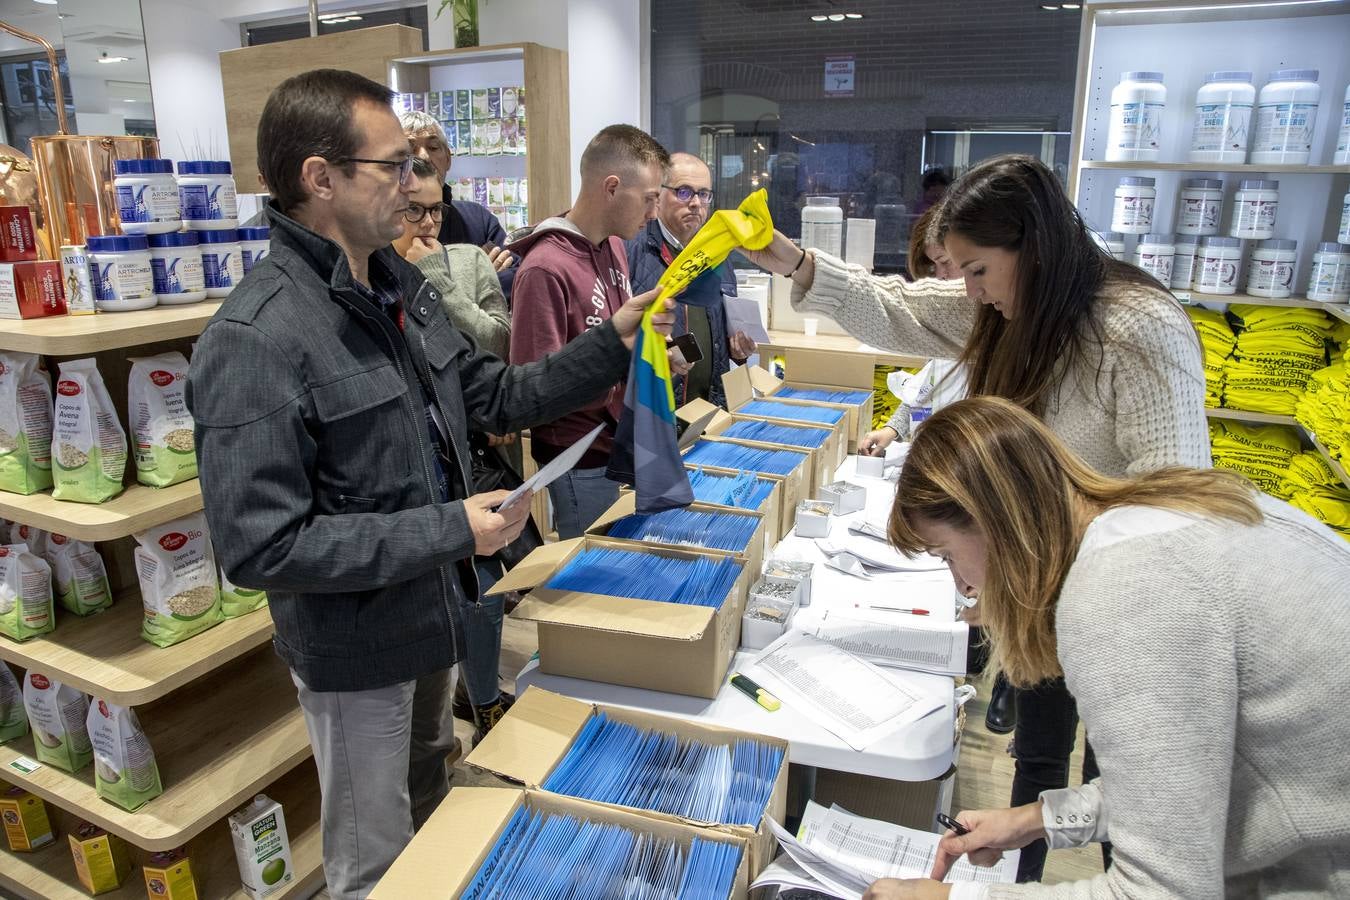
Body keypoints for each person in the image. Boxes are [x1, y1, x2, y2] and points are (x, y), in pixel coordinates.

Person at [187, 69, 674, 899]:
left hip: (432, 620)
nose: (416, 186)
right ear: (321, 178)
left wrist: (613, 341)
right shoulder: (256, 339)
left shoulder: (400, 288)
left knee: (432, 808)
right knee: (372, 857)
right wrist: (450, 529)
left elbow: (492, 394)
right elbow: (260, 544)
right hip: (356, 653)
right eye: (395, 167)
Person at [745, 154, 1209, 882]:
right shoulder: (1008, 308)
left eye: (978, 270)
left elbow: (1177, 505)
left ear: (1034, 244)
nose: (968, 291)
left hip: (1125, 598)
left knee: (1135, 792)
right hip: (1038, 581)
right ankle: (1021, 873)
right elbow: (896, 306)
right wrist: (786, 257)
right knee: (1040, 747)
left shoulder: (1137, 329)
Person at [862, 396, 1350, 899]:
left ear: (995, 521)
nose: (964, 585)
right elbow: (1176, 787)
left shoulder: (1123, 593)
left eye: (948, 555)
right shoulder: (1147, 518)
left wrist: (948, 898)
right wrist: (1036, 819)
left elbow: (1163, 891)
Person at [392, 155, 522, 745]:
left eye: (436, 209)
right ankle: (451, 705)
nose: (426, 223)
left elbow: (497, 340)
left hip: (474, 450)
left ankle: (484, 693)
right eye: (413, 210)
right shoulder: (373, 281)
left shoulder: (467, 261)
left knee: (485, 586)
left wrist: (438, 283)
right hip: (415, 466)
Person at [509, 124, 678, 539]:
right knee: (594, 579)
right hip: (578, 456)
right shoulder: (545, 267)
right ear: (613, 187)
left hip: (618, 443)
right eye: (650, 199)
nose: (653, 213)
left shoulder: (614, 246)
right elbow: (533, 388)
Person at [625, 151, 756, 408]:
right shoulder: (630, 250)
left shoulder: (719, 254)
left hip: (709, 407)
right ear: (659, 195)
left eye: (704, 194)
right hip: (657, 411)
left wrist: (737, 351)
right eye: (684, 191)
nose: (696, 203)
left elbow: (722, 332)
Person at [399, 110, 517, 299]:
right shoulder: (383, 224)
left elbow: (517, 278)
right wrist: (478, 278)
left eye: (433, 147)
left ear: (448, 158)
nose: (423, 157)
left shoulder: (477, 219)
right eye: (411, 149)